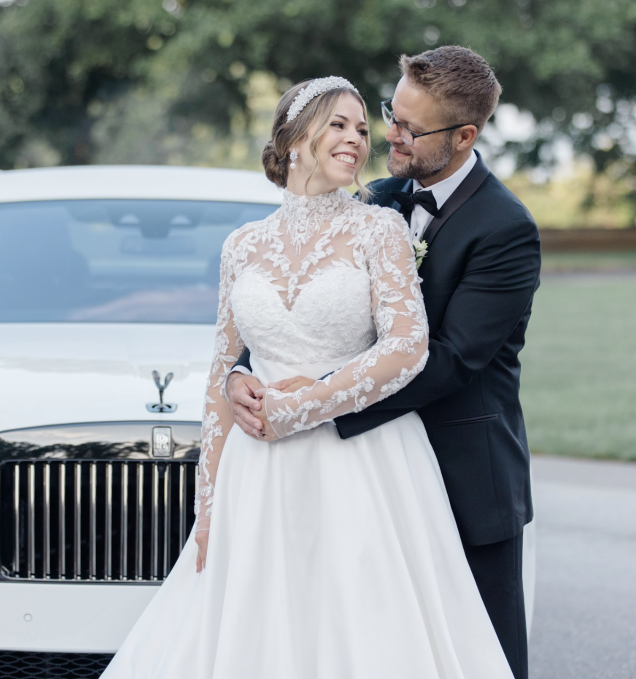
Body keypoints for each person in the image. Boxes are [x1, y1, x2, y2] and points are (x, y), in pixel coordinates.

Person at [100, 72, 516, 679]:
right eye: (339, 124)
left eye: (363, 129)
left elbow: (408, 346)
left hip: (361, 466)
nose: (358, 138)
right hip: (255, 475)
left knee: (360, 629)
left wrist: (304, 406)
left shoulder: (380, 227)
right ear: (295, 137)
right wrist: (208, 502)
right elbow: (224, 369)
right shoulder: (242, 246)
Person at [228, 47, 540, 679]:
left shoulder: (506, 230)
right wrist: (244, 370)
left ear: (463, 136)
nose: (387, 134)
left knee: (475, 654)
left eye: (407, 128)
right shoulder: (378, 199)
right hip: (352, 465)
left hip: (460, 474)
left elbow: (449, 360)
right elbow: (297, 298)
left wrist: (312, 399)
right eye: (391, 115)